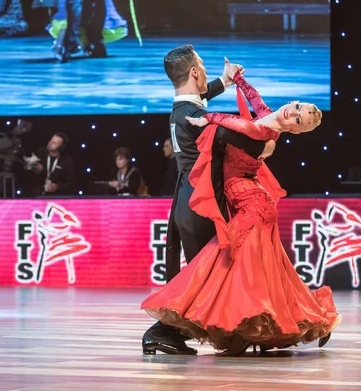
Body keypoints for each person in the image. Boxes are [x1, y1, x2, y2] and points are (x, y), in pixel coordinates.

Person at [141, 68, 341, 356]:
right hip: (250, 202)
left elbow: (236, 123)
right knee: (264, 274)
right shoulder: (270, 116)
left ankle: (249, 327)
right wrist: (239, 80)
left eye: (299, 119)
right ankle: (261, 327)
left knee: (231, 269)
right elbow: (256, 101)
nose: (292, 113)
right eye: (297, 107)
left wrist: (206, 118)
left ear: (297, 130)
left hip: (252, 208)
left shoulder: (263, 131)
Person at [141, 45, 276, 355]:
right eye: (201, 65)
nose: (204, 70)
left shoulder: (183, 110)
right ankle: (162, 330)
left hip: (190, 204)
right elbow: (246, 136)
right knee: (209, 276)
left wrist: (225, 81)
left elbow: (200, 101)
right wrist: (270, 135)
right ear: (193, 72)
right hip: (202, 207)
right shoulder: (198, 117)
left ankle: (237, 331)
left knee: (208, 276)